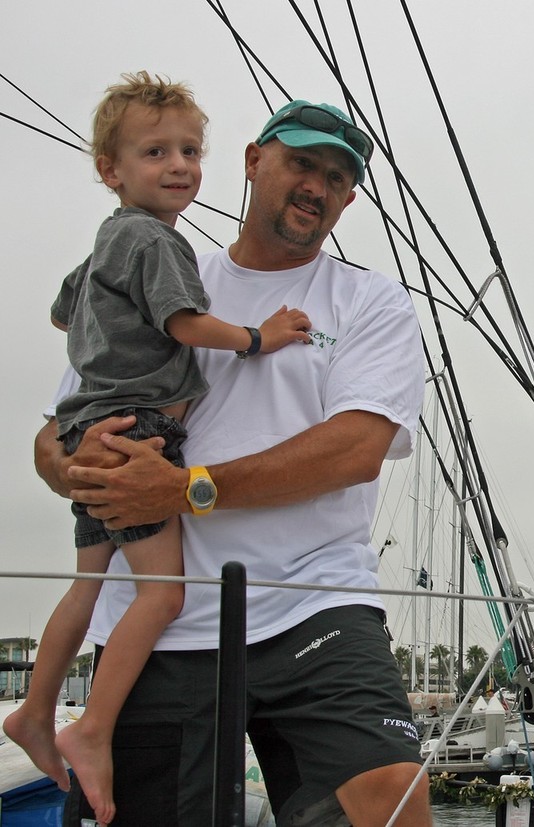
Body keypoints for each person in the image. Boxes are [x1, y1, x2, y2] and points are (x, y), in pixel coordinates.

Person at [35, 99, 429, 826]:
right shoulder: (160, 268)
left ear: (349, 198)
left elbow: (357, 447)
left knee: (393, 796)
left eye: (338, 177)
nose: (318, 184)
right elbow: (52, 438)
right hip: (161, 623)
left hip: (314, 598)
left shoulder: (371, 300)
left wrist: (185, 488)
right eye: (303, 163)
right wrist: (79, 462)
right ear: (253, 161)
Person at [6, 72, 311, 825]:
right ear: (112, 170)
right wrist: (256, 336)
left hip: (89, 429)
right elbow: (183, 324)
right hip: (137, 436)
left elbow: (63, 313)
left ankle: (35, 708)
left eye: (189, 150)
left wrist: (110, 340)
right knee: (163, 593)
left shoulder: (109, 240)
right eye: (154, 152)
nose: (178, 165)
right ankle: (93, 728)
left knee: (88, 585)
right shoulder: (156, 241)